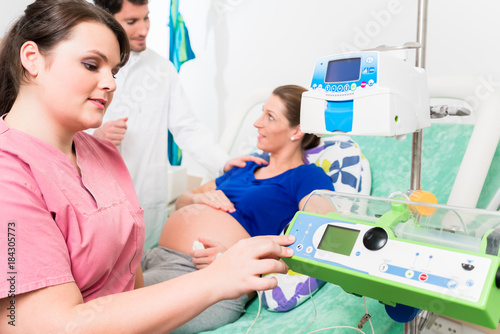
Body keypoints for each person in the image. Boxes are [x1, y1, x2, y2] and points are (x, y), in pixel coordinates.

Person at [0, 1, 294, 332]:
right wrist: (217, 279)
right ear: (32, 59)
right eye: (91, 64)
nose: (111, 84)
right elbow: (50, 325)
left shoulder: (102, 154)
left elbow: (130, 280)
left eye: (114, 71)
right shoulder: (9, 174)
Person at [140, 85, 335, 333]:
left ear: (296, 130)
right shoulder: (244, 166)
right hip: (153, 255)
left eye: (270, 117)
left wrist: (241, 257)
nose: (257, 123)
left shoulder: (306, 176)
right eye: (261, 112)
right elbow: (181, 201)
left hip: (202, 275)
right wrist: (199, 199)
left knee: (111, 311)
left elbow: (323, 230)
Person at [90, 0, 264, 250]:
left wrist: (222, 162)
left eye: (146, 18)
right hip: (100, 195)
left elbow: (186, 127)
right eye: (132, 22)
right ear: (107, 20)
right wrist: (97, 135)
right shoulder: (88, 66)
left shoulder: (161, 69)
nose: (143, 29)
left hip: (148, 195)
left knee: (144, 268)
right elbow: (60, 129)